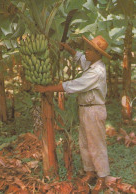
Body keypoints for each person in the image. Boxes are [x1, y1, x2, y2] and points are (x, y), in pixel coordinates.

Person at [34, 35, 112, 193]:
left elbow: (74, 85)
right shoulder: (90, 63)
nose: (86, 51)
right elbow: (80, 58)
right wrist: (69, 49)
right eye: (87, 48)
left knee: (96, 144)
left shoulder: (97, 71)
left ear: (98, 54)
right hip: (84, 108)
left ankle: (102, 178)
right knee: (84, 143)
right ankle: (90, 173)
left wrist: (47, 89)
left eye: (89, 49)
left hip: (94, 110)